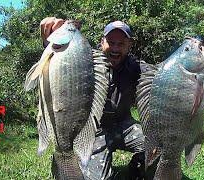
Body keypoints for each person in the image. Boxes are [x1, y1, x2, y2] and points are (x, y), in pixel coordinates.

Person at [40, 17, 145, 180]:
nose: (115, 48)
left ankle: (138, 167)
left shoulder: (136, 67)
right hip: (95, 131)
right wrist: (48, 42)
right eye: (111, 42)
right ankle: (67, 162)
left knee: (156, 143)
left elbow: (162, 75)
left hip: (125, 126)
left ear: (129, 45)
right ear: (102, 42)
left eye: (121, 44)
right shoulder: (84, 57)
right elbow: (59, 64)